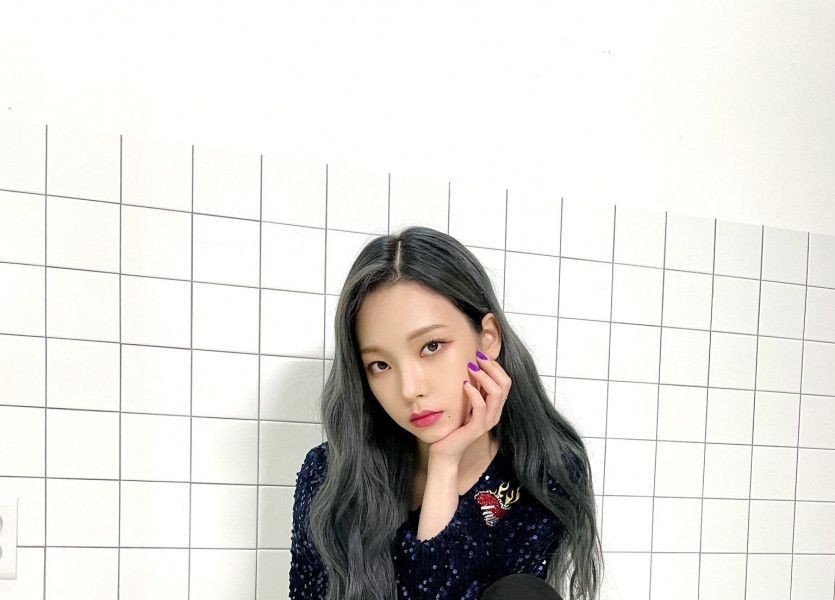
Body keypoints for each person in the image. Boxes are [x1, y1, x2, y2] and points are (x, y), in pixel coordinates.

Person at [289, 226, 603, 600]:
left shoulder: (540, 472)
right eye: (380, 365)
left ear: (488, 338)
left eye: (431, 346)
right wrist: (444, 465)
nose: (410, 389)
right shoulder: (332, 476)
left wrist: (444, 463)